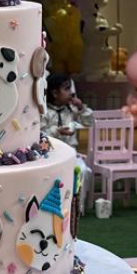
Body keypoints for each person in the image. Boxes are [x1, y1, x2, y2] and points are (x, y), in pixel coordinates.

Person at [41, 74, 93, 207]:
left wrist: (81, 108)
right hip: (51, 155)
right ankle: (56, 203)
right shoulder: (45, 112)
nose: (71, 93)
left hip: (71, 154)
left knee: (83, 170)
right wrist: (57, 131)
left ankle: (77, 206)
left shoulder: (72, 109)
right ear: (55, 93)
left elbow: (89, 122)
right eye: (67, 89)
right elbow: (40, 134)